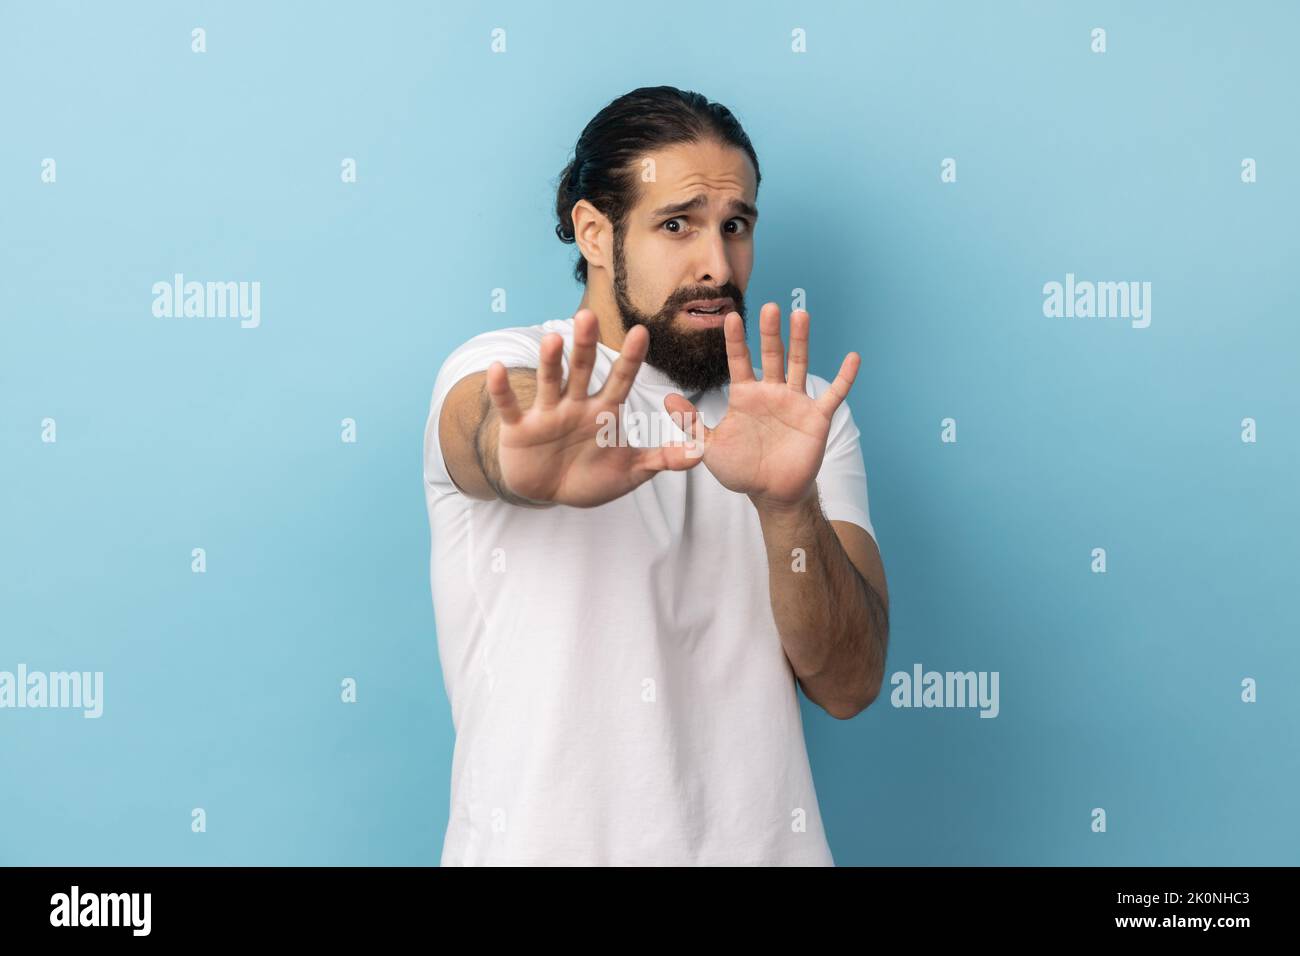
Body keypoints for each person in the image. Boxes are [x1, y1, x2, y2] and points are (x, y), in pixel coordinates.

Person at [422, 86, 889, 865]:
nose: (717, 264)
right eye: (678, 224)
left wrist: (786, 507)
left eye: (735, 226)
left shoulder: (801, 414)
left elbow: (849, 685)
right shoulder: (501, 369)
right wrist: (522, 452)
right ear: (596, 234)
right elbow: (485, 427)